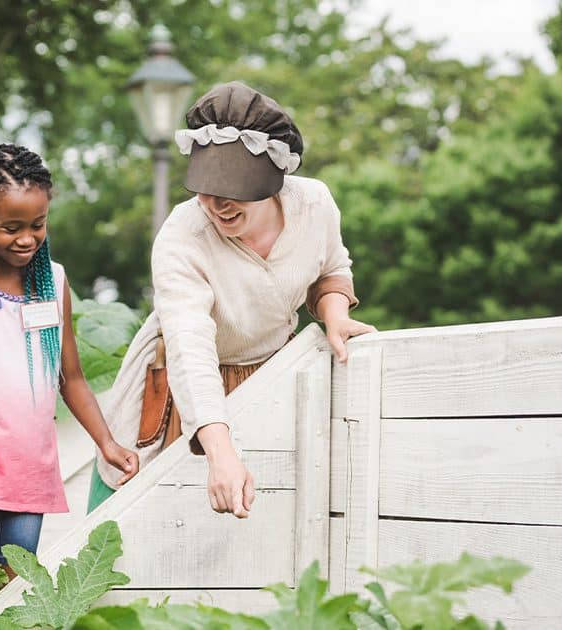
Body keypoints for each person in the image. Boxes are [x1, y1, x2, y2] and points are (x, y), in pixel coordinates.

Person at [89, 81, 375, 517]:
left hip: (270, 372)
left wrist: (333, 314)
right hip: (181, 382)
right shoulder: (183, 236)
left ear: (273, 178)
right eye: (206, 186)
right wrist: (219, 454)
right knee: (145, 517)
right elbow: (191, 349)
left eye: (233, 187)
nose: (216, 203)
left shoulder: (314, 204)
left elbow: (332, 267)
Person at [0, 144, 139, 577]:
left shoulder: (52, 280)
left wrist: (107, 443)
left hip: (28, 473)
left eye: (37, 225)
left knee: (12, 600)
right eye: (11, 227)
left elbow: (70, 378)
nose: (26, 238)